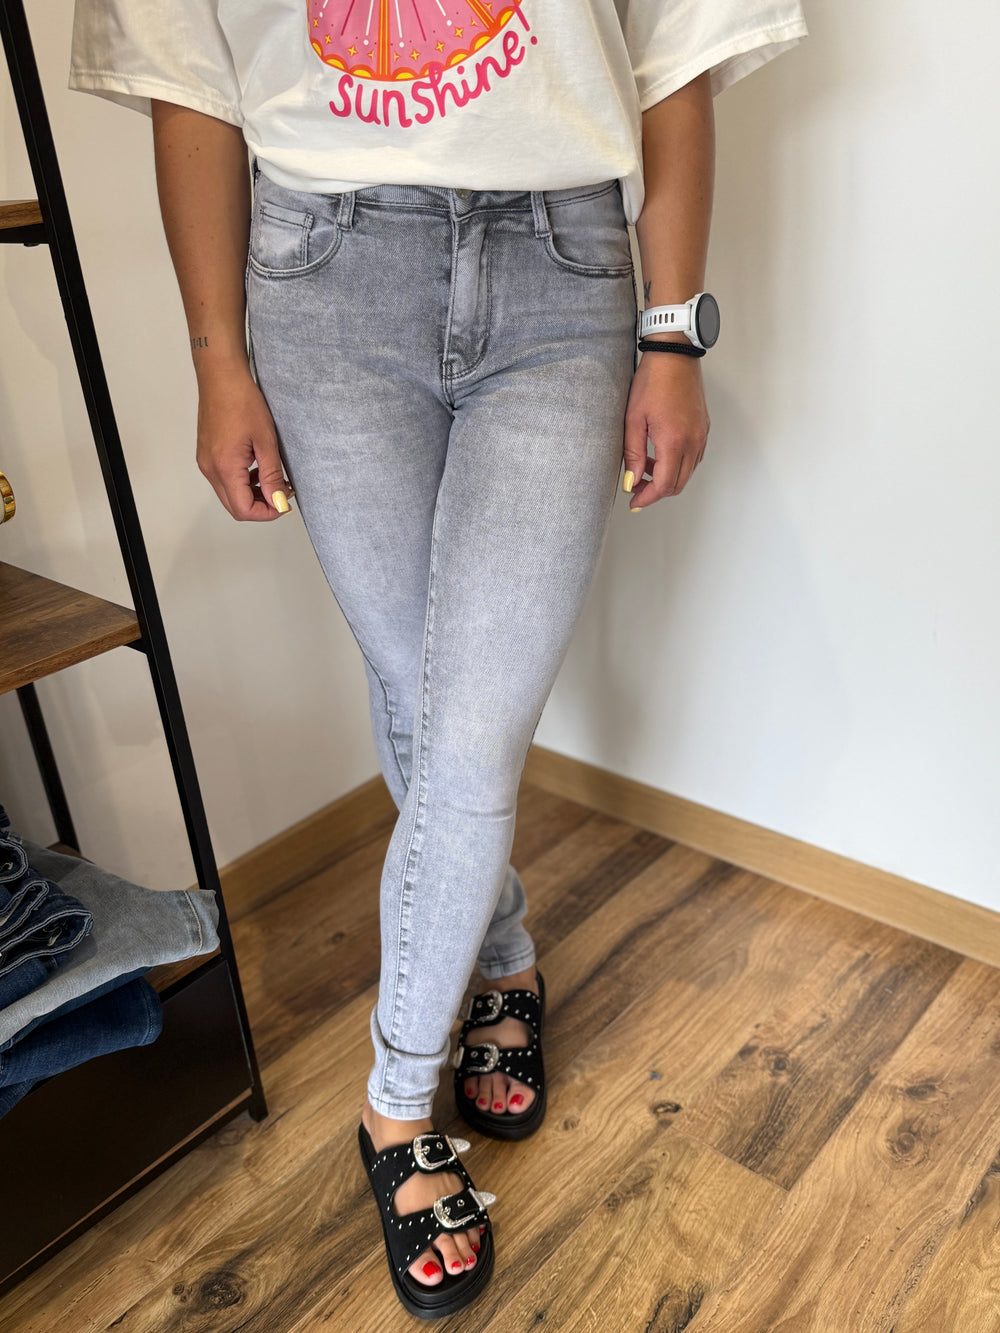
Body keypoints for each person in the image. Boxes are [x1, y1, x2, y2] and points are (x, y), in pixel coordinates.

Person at [70, 0, 807, 1317]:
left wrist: (672, 333)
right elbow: (192, 80)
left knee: (470, 727)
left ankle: (394, 1107)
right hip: (321, 275)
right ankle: (503, 957)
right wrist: (217, 361)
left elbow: (678, 51)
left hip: (564, 268)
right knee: (424, 694)